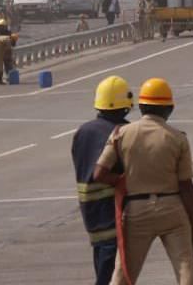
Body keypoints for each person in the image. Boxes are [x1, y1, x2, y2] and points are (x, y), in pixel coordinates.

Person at [93, 78, 193, 285]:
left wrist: (122, 181)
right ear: (169, 109)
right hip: (172, 209)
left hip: (136, 210)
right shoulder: (178, 138)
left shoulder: (121, 133)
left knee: (123, 273)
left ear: (140, 107)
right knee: (185, 268)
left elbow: (99, 173)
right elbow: (186, 185)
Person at [73, 76, 133, 285]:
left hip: (90, 210)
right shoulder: (122, 131)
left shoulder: (83, 131)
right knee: (111, 271)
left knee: (102, 260)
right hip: (112, 209)